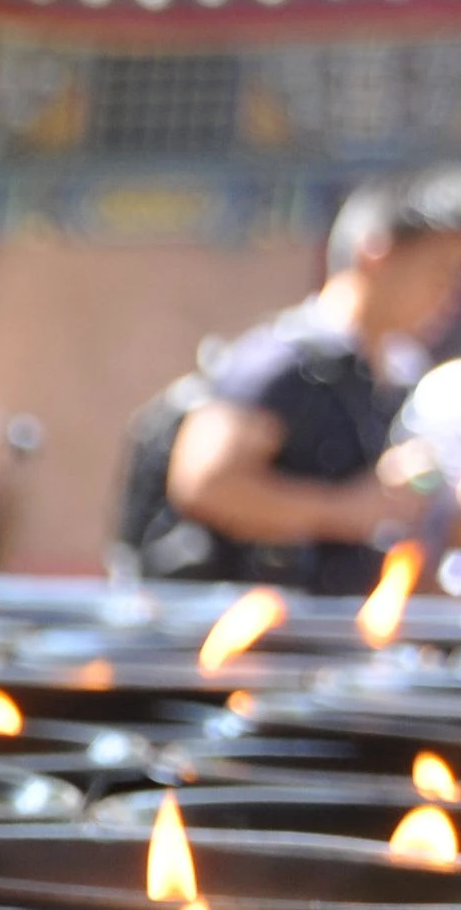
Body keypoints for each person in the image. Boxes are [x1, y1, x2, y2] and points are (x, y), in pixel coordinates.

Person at [136, 171, 461, 594]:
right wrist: (348, 509)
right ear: (376, 256)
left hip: (336, 634)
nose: (448, 296)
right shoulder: (281, 362)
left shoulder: (398, 378)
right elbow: (205, 482)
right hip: (242, 634)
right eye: (440, 273)